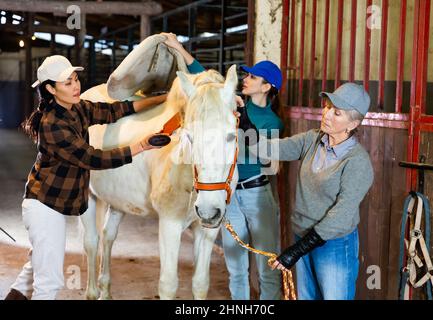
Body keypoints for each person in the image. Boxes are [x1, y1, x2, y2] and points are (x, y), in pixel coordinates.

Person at [4, 55, 167, 300]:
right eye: (67, 83)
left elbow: (117, 110)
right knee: (49, 281)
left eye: (76, 79)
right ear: (50, 89)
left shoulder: (78, 108)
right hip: (44, 205)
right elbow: (92, 158)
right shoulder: (53, 124)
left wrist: (165, 99)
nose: (76, 85)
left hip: (53, 202)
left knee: (35, 267)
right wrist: (141, 146)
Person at [162, 32, 285, 300]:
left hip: (256, 194)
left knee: (267, 267)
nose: (246, 79)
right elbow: (202, 77)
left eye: (253, 77)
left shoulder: (271, 122)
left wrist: (240, 125)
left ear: (267, 87)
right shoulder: (228, 104)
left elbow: (270, 164)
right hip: (229, 194)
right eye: (246, 75)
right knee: (236, 268)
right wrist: (180, 49)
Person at [264, 83, 374, 300]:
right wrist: (240, 134)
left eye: (337, 112)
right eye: (326, 107)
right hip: (303, 234)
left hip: (333, 243)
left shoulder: (357, 162)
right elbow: (276, 148)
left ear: (353, 123)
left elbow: (341, 216)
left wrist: (297, 250)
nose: (326, 114)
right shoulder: (313, 139)